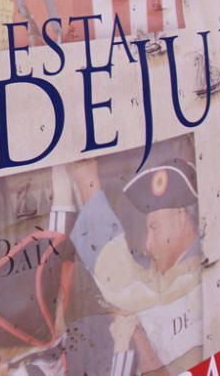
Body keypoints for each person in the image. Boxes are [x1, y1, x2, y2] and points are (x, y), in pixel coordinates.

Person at [68, 157, 203, 374]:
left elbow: (121, 282)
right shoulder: (178, 265)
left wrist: (87, 180)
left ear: (181, 217)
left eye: (154, 228)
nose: (147, 245)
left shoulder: (191, 271)